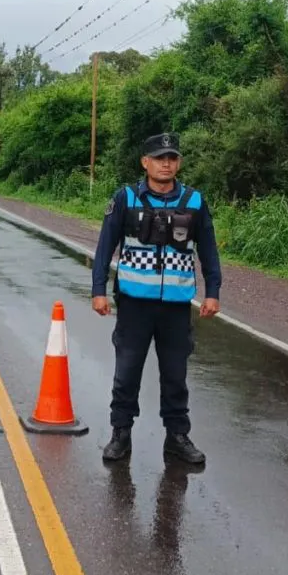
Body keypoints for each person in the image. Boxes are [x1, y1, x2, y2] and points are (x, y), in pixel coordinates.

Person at [90, 132, 222, 464]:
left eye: (172, 158)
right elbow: (105, 247)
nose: (167, 163)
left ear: (178, 162)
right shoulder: (125, 198)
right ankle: (121, 433)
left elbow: (208, 249)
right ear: (145, 162)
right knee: (127, 372)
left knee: (176, 374)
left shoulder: (194, 201)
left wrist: (213, 292)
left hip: (176, 306)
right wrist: (98, 291)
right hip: (135, 304)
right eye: (160, 158)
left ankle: (177, 436)